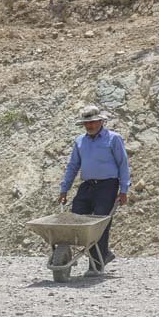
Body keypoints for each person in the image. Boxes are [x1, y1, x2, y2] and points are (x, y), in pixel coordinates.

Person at [57, 105, 130, 275]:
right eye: (86, 124)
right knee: (77, 218)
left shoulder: (113, 139)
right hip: (87, 186)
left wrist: (124, 190)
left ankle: (96, 265)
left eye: (92, 123)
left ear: (101, 121)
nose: (89, 126)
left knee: (99, 223)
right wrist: (64, 189)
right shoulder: (80, 141)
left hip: (108, 185)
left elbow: (123, 164)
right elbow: (73, 166)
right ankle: (103, 254)